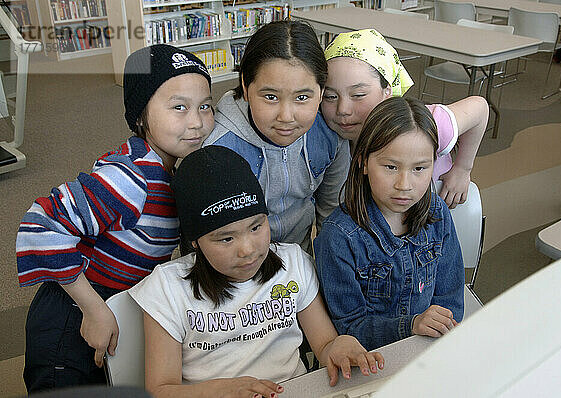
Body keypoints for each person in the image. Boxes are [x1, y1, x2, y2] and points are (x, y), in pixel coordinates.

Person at [15, 44, 215, 392]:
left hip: (111, 302)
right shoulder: (130, 177)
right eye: (179, 107)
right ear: (140, 116)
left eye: (205, 107)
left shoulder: (173, 170)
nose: (196, 122)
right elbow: (40, 226)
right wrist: (93, 309)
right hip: (71, 310)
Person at [129, 146, 384, 398]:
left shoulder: (292, 263)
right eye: (226, 239)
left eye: (256, 227)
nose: (247, 250)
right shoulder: (167, 288)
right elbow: (160, 390)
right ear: (195, 241)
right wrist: (221, 390)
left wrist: (342, 345)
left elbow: (325, 344)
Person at [314, 96, 465, 352]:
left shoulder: (437, 213)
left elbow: (450, 298)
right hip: (371, 359)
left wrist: (438, 328)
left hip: (428, 350)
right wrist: (411, 325)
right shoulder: (338, 237)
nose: (404, 185)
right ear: (362, 161)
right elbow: (349, 328)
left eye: (419, 168)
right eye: (391, 167)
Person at [203, 20, 350, 252]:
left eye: (302, 97)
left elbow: (332, 216)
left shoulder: (329, 135)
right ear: (245, 85)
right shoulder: (218, 150)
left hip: (301, 259)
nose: (286, 116)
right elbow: (212, 240)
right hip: (239, 267)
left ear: (321, 92)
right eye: (270, 97)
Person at [321, 29, 488, 209]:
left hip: (432, 219)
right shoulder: (325, 136)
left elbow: (480, 108)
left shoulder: (420, 127)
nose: (343, 110)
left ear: (388, 91)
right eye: (330, 96)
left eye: (359, 94)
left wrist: (462, 169)